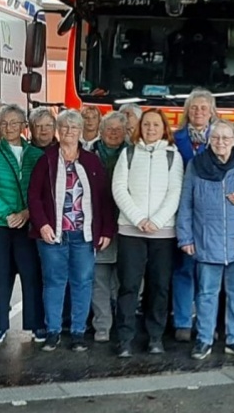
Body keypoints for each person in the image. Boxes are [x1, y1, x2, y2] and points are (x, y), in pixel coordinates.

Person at [176, 119, 234, 360]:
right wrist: (185, 237)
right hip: (207, 239)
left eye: (226, 138)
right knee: (206, 293)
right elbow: (186, 203)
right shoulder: (196, 165)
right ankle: (204, 339)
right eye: (216, 138)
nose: (221, 143)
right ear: (209, 140)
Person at [28, 109, 116, 352]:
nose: (69, 132)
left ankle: (78, 332)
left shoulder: (91, 161)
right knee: (54, 282)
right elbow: (33, 197)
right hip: (53, 234)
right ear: (59, 130)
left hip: (83, 235)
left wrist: (106, 230)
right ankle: (53, 332)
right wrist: (42, 224)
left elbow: (104, 198)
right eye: (65, 127)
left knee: (82, 282)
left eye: (74, 128)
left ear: (81, 132)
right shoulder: (45, 159)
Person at [111, 108, 184, 357]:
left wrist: (157, 221)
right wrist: (139, 219)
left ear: (164, 128)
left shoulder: (173, 157)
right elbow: (119, 188)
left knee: (159, 286)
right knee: (129, 286)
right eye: (146, 124)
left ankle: (155, 337)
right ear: (140, 128)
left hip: (162, 233)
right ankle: (124, 338)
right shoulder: (128, 153)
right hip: (131, 231)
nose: (151, 129)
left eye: (156, 125)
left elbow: (175, 192)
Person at [0, 104, 45, 345]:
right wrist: (8, 214)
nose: (9, 127)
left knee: (31, 272)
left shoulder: (36, 155)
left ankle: (37, 324)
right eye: (4, 123)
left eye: (14, 123)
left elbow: (40, 192)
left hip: (27, 223)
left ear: (24, 126)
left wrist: (27, 213)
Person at [171, 88, 217, 340]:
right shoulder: (175, 139)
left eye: (203, 108)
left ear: (212, 112)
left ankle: (206, 321)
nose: (198, 112)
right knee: (184, 269)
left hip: (211, 216)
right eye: (194, 107)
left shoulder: (220, 140)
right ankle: (182, 321)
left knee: (209, 271)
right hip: (183, 212)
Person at [89, 111, 130, 342]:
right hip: (97, 226)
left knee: (126, 281)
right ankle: (102, 326)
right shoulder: (88, 155)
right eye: (108, 129)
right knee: (99, 280)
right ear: (101, 131)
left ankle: (124, 324)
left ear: (125, 132)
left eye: (118, 129)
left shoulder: (134, 154)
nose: (113, 133)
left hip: (127, 226)